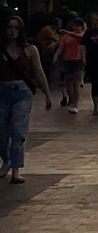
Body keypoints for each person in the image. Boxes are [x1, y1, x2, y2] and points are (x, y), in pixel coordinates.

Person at [1, 11, 52, 185]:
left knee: (18, 130)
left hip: (22, 93)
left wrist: (47, 94)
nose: (12, 31)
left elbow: (38, 72)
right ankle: (6, 159)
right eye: (9, 27)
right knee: (1, 132)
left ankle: (16, 169)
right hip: (2, 91)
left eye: (16, 28)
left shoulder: (30, 50)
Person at [55, 18, 85, 112]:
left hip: (78, 60)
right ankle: (71, 100)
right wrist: (56, 55)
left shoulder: (82, 35)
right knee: (68, 82)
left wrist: (67, 32)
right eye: (74, 26)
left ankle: (75, 104)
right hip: (67, 61)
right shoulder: (67, 37)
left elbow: (79, 37)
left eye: (77, 26)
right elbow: (61, 46)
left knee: (76, 83)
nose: (75, 28)